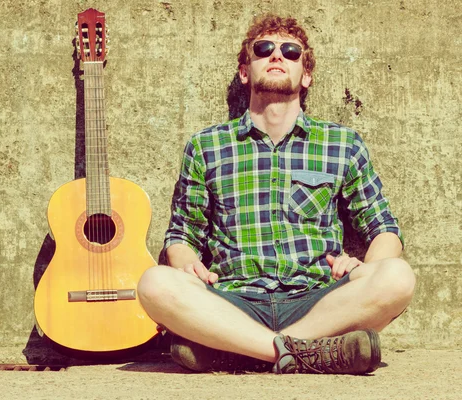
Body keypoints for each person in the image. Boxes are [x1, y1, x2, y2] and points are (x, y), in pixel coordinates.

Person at [137, 14, 416, 375]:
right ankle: (310, 352)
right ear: (244, 71)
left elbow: (384, 229)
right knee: (154, 283)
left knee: (397, 276)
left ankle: (239, 351)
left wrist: (367, 264)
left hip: (317, 299)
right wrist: (187, 262)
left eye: (291, 51)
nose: (277, 56)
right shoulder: (207, 146)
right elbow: (181, 235)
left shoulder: (342, 143)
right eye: (264, 49)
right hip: (233, 299)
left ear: (307, 75)